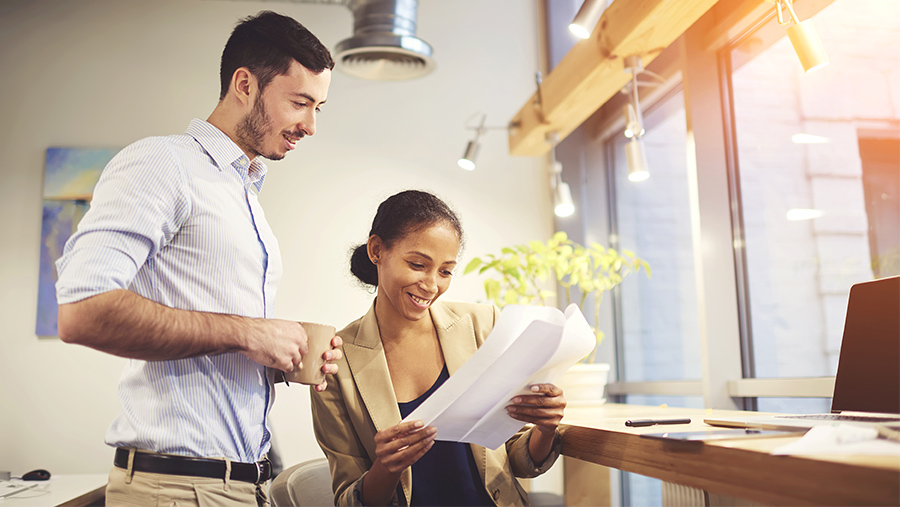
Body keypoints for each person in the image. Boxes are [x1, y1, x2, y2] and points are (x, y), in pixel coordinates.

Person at [54, 11, 341, 506]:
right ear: (244, 84)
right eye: (300, 103)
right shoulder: (163, 163)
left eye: (319, 108)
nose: (311, 126)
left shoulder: (243, 191)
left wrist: (281, 356)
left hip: (244, 483)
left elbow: (220, 341)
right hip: (178, 488)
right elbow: (82, 310)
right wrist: (249, 332)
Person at [311, 190, 567, 506]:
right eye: (418, 264)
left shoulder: (482, 324)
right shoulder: (337, 361)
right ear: (377, 250)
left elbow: (513, 460)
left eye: (445, 271)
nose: (432, 285)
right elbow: (349, 500)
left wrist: (545, 428)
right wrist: (387, 467)